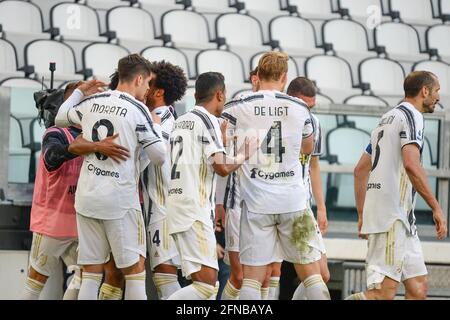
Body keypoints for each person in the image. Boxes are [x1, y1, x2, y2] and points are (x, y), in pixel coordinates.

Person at [55, 54, 167, 300]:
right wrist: (157, 127)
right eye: (147, 83)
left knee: (92, 274)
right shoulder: (138, 110)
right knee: (135, 272)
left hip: (87, 198)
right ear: (138, 79)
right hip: (119, 201)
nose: (148, 89)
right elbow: (159, 156)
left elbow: (60, 117)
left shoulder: (92, 101)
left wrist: (78, 93)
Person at [222, 52, 330, 300]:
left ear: (257, 75)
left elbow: (219, 138)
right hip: (295, 204)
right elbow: (307, 149)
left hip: (257, 205)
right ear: (284, 77)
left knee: (252, 280)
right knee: (313, 275)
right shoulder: (301, 108)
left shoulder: (239, 106)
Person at [347, 71, 447, 300]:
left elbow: (360, 170)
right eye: (437, 91)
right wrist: (436, 207)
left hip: (401, 220)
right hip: (392, 217)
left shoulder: (387, 118)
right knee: (381, 294)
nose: (438, 97)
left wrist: (363, 214)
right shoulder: (412, 116)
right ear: (425, 91)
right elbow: (412, 165)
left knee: (418, 288)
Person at [24, 82, 129, 300]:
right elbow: (51, 158)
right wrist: (91, 147)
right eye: (89, 98)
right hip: (52, 222)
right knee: (35, 282)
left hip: (83, 219)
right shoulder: (56, 132)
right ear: (73, 103)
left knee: (84, 279)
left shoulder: (99, 134)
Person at [166, 72, 258, 300]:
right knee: (206, 286)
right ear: (219, 94)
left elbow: (199, 158)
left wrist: (222, 144)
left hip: (178, 205)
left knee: (202, 283)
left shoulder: (182, 120)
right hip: (193, 209)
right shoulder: (207, 121)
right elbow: (222, 168)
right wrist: (243, 155)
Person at [139, 60, 187, 299]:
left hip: (163, 211)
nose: (143, 87)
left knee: (166, 282)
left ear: (158, 92)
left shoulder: (158, 124)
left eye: (149, 83)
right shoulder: (173, 120)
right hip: (171, 210)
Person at [285, 77, 330, 299]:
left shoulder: (314, 123)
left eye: (311, 107)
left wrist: (321, 207)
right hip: (277, 203)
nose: (307, 112)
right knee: (266, 274)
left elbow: (313, 165)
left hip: (303, 207)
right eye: (304, 105)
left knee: (322, 275)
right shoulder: (277, 120)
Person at [219, 67, 260, 300]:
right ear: (254, 79)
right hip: (237, 201)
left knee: (263, 275)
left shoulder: (279, 111)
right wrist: (218, 202)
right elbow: (218, 156)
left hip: (264, 203)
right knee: (239, 276)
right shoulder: (237, 107)